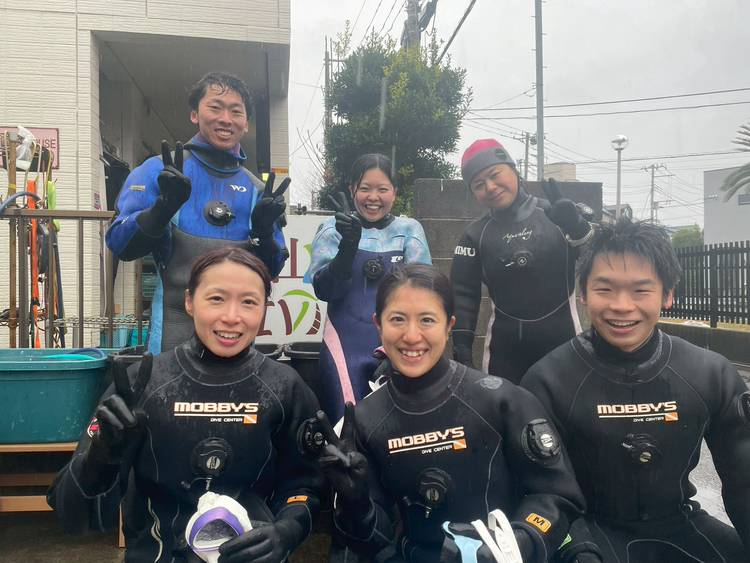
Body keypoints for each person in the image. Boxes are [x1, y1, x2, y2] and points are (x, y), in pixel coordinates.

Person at [48, 247, 322, 563]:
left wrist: (287, 530)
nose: (231, 316)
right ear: (190, 301)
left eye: (249, 302)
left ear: (263, 308)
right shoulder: (142, 384)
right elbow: (75, 517)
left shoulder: (285, 387)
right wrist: (102, 457)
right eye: (216, 299)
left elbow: (305, 485)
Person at [314, 264, 585, 563]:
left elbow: (557, 494)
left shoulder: (501, 400)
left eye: (427, 320)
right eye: (397, 319)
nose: (412, 336)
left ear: (449, 325)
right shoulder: (365, 421)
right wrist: (357, 505)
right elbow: (373, 541)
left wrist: (520, 541)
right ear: (378, 324)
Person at [521, 218, 750, 563]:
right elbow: (539, 493)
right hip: (590, 530)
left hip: (681, 523)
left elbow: (744, 480)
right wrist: (573, 546)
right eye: (605, 289)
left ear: (668, 295)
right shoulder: (548, 380)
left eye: (641, 290)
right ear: (583, 293)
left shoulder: (709, 373)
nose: (622, 306)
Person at [106, 71, 289, 354]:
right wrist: (162, 210)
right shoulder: (161, 171)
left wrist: (263, 233)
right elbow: (121, 245)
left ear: (246, 124)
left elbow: (272, 269)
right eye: (215, 107)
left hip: (235, 340)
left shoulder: (257, 190)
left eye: (236, 111)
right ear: (194, 114)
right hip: (171, 338)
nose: (225, 119)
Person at [451, 138, 593, 384]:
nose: (490, 187)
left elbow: (600, 262)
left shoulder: (558, 214)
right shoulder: (475, 236)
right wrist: (461, 351)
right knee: (505, 409)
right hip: (504, 355)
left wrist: (577, 226)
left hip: (565, 347)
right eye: (479, 185)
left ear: (514, 169)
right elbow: (463, 296)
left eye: (495, 175)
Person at [305, 153, 431, 421]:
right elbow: (325, 290)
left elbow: (424, 294)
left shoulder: (410, 230)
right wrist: (347, 249)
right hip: (343, 347)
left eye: (382, 189)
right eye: (365, 188)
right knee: (344, 428)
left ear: (395, 192)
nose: (373, 197)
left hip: (400, 347)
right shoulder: (332, 228)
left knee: (398, 429)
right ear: (352, 189)